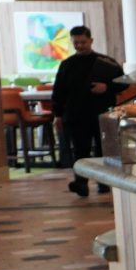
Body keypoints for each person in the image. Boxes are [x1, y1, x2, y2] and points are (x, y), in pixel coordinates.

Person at [49, 26, 122, 197]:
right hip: (76, 114)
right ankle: (81, 183)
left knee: (103, 150)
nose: (80, 46)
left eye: (83, 42)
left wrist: (107, 87)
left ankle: (104, 183)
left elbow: (123, 82)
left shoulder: (107, 63)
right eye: (76, 43)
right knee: (80, 151)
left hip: (102, 113)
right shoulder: (67, 64)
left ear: (91, 41)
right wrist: (57, 114)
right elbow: (59, 91)